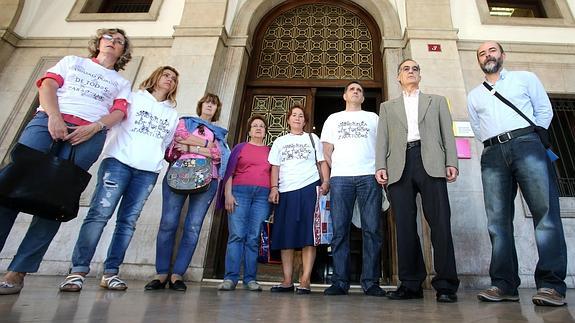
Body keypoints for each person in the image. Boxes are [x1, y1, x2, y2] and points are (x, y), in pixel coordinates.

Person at [0, 28, 132, 295]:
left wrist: (94, 128)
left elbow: (119, 112)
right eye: (109, 38)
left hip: (87, 136)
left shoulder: (120, 82)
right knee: (8, 190)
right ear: (98, 42)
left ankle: (18, 271)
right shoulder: (73, 61)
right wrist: (54, 116)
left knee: (54, 202)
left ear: (122, 52)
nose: (113, 43)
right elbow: (47, 85)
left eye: (119, 42)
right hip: (47, 123)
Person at [58, 66, 180, 292]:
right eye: (166, 75)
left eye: (174, 79)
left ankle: (111, 272)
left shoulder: (172, 114)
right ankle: (78, 271)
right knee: (98, 215)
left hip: (146, 172)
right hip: (117, 163)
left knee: (127, 222)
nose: (169, 81)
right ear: (155, 77)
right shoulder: (133, 98)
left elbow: (165, 143)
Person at [467, 41, 567, 307]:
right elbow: (477, 128)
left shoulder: (525, 78)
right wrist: (496, 143)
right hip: (492, 152)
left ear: (502, 55)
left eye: (492, 51)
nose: (487, 56)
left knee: (545, 215)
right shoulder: (474, 95)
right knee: (497, 222)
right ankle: (503, 284)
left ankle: (551, 286)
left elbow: (544, 111)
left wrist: (530, 138)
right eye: (482, 53)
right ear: (478, 60)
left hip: (527, 144)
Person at [375, 59, 459, 303]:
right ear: (398, 77)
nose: (410, 72)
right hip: (399, 165)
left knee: (440, 223)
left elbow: (448, 133)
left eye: (415, 69)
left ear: (419, 76)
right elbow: (383, 139)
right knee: (404, 226)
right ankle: (411, 283)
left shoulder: (437, 101)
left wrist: (451, 161)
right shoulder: (387, 107)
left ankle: (446, 285)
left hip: (431, 162)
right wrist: (380, 165)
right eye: (405, 69)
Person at [144, 93, 230, 292]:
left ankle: (177, 274)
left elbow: (219, 153)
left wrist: (193, 147)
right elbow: (179, 138)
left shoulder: (219, 133)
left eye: (214, 104)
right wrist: (207, 147)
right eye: (207, 102)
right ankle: (161, 273)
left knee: (193, 227)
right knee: (168, 223)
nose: (210, 106)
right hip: (178, 175)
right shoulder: (185, 122)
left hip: (208, 180)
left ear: (217, 109)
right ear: (200, 105)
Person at [320, 81, 385, 297]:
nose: (356, 92)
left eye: (359, 90)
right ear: (345, 95)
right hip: (341, 178)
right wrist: (338, 166)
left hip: (369, 176)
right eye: (352, 90)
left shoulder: (374, 118)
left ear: (363, 98)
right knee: (339, 230)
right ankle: (340, 281)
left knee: (372, 230)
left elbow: (382, 146)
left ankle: (371, 282)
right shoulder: (333, 119)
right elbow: (326, 150)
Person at [267, 105, 329, 295]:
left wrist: (326, 181)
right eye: (294, 115)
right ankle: (287, 280)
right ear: (288, 119)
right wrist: (274, 188)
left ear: (305, 121)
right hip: (286, 191)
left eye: (301, 116)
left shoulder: (312, 138)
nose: (297, 118)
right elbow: (275, 167)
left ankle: (305, 280)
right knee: (286, 236)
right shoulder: (280, 141)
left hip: (309, 188)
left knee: (308, 236)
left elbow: (321, 162)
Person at [216, 115, 272, 292]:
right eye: (254, 126)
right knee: (237, 235)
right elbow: (229, 171)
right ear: (249, 130)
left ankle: (250, 279)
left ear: (265, 131)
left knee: (254, 237)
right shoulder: (240, 147)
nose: (258, 128)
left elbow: (275, 174)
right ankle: (230, 278)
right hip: (239, 193)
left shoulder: (271, 150)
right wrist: (228, 194)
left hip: (262, 196)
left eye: (261, 126)